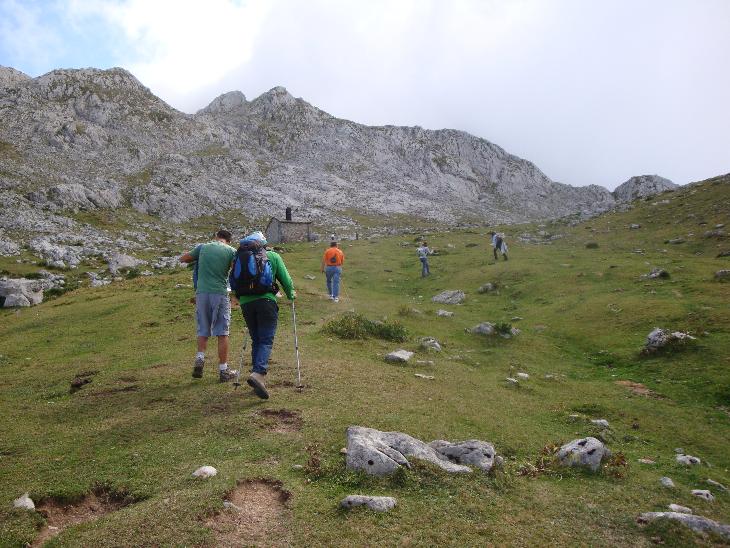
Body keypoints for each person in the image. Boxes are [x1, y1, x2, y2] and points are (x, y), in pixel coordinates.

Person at [232, 231, 295, 400]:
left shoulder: (240, 256)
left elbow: (234, 280)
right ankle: (258, 373)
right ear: (263, 244)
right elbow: (286, 280)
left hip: (245, 303)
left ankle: (257, 376)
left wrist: (241, 298)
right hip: (266, 301)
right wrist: (291, 294)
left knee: (257, 339)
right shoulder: (272, 256)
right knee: (266, 339)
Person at [180, 229, 238, 382]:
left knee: (203, 329)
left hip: (201, 293)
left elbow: (184, 259)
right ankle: (223, 370)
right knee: (222, 332)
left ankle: (200, 359)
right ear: (228, 240)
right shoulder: (231, 251)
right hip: (220, 292)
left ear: (216, 237)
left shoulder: (203, 247)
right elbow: (235, 269)